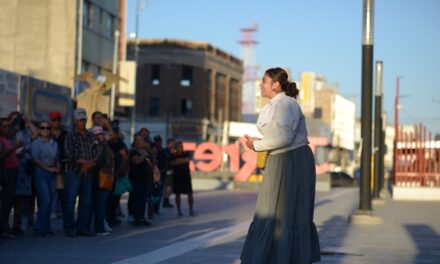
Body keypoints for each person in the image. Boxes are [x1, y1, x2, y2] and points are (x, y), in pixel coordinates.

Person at [240, 68, 320, 263]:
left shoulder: (287, 104)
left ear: (275, 85)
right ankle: (270, 256)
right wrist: (260, 143)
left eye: (264, 81)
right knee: (269, 209)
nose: (260, 84)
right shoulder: (272, 106)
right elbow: (278, 136)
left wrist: (256, 145)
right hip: (279, 159)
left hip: (293, 160)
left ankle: (289, 257)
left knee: (289, 211)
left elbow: (286, 137)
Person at [64, 108, 102, 237]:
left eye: (84, 119)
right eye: (80, 119)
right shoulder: (70, 136)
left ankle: (83, 227)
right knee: (70, 201)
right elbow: (69, 155)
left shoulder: (92, 136)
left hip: (88, 173)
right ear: (75, 121)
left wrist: (92, 163)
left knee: (86, 202)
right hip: (74, 172)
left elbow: (98, 151)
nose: (82, 121)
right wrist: (85, 162)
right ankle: (70, 228)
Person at [8, 112, 38, 235]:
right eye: (14, 119)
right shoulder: (7, 134)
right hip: (9, 168)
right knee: (9, 198)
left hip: (23, 169)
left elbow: (36, 134)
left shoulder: (25, 132)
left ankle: (17, 224)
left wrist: (27, 120)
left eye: (18, 119)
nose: (17, 121)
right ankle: (5, 225)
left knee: (20, 198)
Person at [31, 120, 60, 237]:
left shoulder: (55, 143)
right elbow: (36, 159)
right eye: (42, 128)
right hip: (40, 174)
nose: (45, 130)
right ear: (39, 130)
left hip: (52, 175)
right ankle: (39, 228)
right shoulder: (36, 143)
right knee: (46, 200)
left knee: (49, 202)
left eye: (48, 128)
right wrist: (48, 168)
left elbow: (57, 158)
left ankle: (46, 228)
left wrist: (57, 166)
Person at [0, 117, 22, 238]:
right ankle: (4, 228)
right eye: (4, 126)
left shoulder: (7, 138)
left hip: (14, 170)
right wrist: (15, 147)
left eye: (8, 126)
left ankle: (5, 227)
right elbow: (3, 155)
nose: (7, 128)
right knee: (6, 201)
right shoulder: (1, 140)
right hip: (6, 173)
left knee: (9, 201)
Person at [91, 126, 114, 235]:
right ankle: (99, 227)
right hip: (98, 177)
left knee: (102, 203)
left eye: (101, 133)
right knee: (99, 203)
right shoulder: (94, 146)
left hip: (106, 177)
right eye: (97, 134)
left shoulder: (105, 146)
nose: (100, 136)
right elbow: (101, 161)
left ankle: (101, 224)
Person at [128, 135, 154, 226]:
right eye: (137, 140)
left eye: (141, 140)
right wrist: (144, 155)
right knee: (136, 199)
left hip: (146, 180)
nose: (139, 142)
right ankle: (136, 218)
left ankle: (142, 217)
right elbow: (137, 161)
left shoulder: (147, 152)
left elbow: (153, 162)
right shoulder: (133, 152)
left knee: (143, 199)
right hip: (136, 180)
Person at [49, 111, 68, 218]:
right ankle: (51, 211)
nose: (56, 122)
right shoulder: (46, 132)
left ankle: (61, 211)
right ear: (50, 121)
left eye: (58, 120)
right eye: (54, 120)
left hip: (64, 168)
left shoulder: (66, 135)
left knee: (63, 191)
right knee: (50, 192)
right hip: (48, 167)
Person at [171, 141, 194, 217]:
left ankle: (191, 210)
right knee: (177, 194)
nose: (180, 148)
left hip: (186, 176)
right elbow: (173, 163)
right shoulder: (173, 155)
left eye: (181, 146)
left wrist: (178, 161)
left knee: (190, 193)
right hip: (177, 177)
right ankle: (179, 210)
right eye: (178, 147)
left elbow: (188, 160)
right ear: (176, 148)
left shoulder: (186, 153)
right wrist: (183, 161)